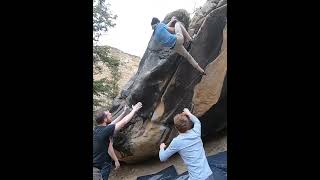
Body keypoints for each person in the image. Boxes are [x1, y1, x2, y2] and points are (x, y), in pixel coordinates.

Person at [158, 108, 213, 180]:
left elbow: (162, 157)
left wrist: (162, 148)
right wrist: (189, 113)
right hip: (208, 174)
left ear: (176, 127)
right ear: (189, 124)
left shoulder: (177, 142)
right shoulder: (196, 132)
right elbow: (197, 121)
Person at [93, 102, 143, 180]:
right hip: (101, 168)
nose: (110, 113)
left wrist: (123, 113)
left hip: (96, 166)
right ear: (105, 119)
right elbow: (123, 122)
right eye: (108, 114)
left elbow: (113, 123)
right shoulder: (105, 131)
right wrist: (134, 110)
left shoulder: (97, 130)